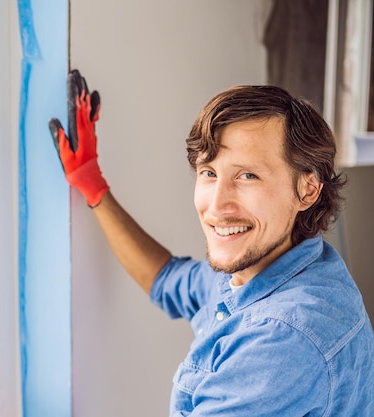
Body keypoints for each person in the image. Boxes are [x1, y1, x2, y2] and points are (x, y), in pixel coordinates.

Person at [48, 69, 374, 416]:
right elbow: (167, 280)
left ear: (307, 189)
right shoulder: (270, 266)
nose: (217, 206)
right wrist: (93, 185)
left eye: (247, 176)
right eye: (209, 173)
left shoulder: (282, 341)